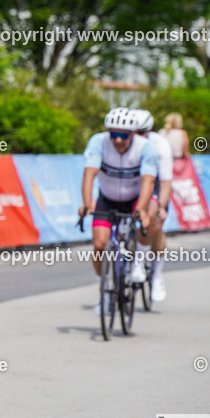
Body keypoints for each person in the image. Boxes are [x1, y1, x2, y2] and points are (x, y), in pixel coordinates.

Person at [78, 107, 159, 313]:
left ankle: (139, 262)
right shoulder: (99, 142)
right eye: (114, 134)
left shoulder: (145, 147)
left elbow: (149, 180)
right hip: (108, 199)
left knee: (148, 222)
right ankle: (104, 289)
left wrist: (141, 208)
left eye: (123, 135)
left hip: (135, 198)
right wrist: (87, 202)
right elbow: (89, 173)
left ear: (132, 134)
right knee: (98, 245)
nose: (118, 140)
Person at [130, 109, 173, 302]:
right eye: (133, 132)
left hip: (155, 185)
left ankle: (156, 275)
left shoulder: (160, 144)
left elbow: (165, 182)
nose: (136, 137)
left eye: (141, 133)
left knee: (155, 223)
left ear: (149, 131)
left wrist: (162, 207)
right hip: (131, 183)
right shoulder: (123, 143)